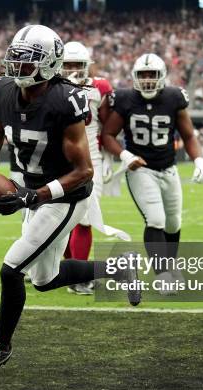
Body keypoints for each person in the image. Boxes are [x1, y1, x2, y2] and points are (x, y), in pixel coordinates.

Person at [0, 25, 139, 375]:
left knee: (11, 269)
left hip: (66, 195)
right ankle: (118, 268)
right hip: (35, 191)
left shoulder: (64, 102)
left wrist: (34, 195)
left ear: (49, 65)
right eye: (15, 59)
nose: (17, 68)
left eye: (27, 62)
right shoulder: (2, 92)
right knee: (44, 279)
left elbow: (85, 170)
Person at [101, 53, 203, 294]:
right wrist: (125, 156)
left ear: (162, 77)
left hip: (169, 168)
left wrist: (199, 160)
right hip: (141, 169)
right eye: (143, 75)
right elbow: (108, 135)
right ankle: (163, 275)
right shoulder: (126, 99)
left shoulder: (173, 97)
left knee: (173, 222)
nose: (148, 80)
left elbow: (188, 135)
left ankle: (170, 266)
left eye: (152, 75)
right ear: (134, 77)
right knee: (156, 220)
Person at [61, 41, 118, 295]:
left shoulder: (100, 88)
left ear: (87, 66)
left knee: (85, 219)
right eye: (68, 65)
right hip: (59, 159)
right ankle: (71, 273)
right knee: (60, 219)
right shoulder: (51, 87)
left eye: (77, 65)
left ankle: (77, 277)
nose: (73, 69)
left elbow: (108, 127)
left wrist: (108, 156)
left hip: (91, 158)